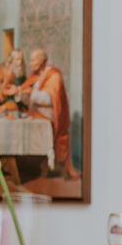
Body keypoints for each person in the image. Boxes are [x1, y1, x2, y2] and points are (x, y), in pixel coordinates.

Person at [16, 49, 78, 178]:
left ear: (41, 60)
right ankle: (25, 162)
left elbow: (48, 99)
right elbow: (29, 101)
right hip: (35, 113)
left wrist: (30, 92)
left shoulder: (54, 76)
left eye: (33, 60)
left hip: (49, 115)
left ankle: (37, 163)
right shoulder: (36, 76)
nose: (31, 63)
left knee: (32, 128)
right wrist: (19, 93)